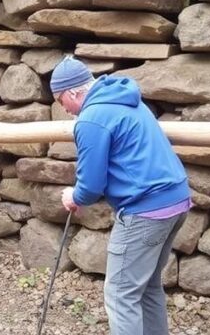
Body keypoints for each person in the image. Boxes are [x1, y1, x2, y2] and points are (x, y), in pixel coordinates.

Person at [51, 56, 190, 335]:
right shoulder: (127, 100)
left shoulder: (92, 118)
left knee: (120, 294)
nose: (63, 109)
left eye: (59, 100)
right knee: (148, 285)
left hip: (145, 209)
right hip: (177, 201)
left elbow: (90, 186)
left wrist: (73, 196)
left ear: (72, 93)